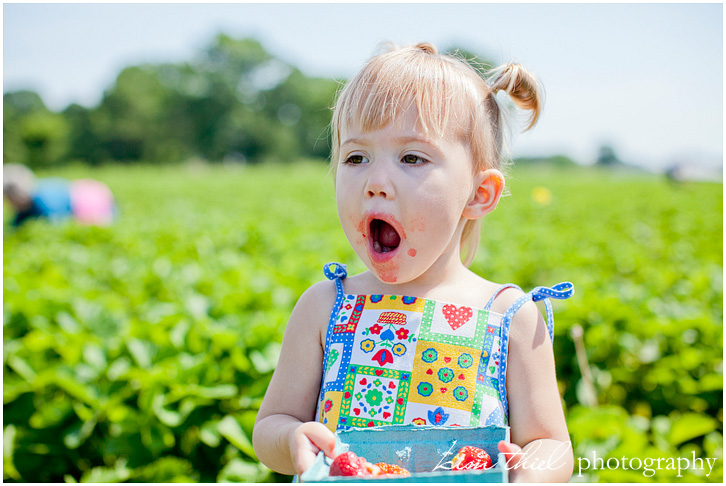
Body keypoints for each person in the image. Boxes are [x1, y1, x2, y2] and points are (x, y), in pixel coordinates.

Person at [252, 42, 574, 482]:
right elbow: (272, 424)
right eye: (356, 157)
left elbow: (551, 444)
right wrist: (293, 441)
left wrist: (530, 473)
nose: (375, 182)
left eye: (411, 158)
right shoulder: (326, 306)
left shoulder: (510, 316)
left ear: (479, 194)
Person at [3, 163, 116, 227]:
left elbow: (58, 223)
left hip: (91, 200)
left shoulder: (44, 202)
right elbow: (17, 222)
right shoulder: (26, 206)